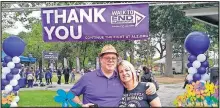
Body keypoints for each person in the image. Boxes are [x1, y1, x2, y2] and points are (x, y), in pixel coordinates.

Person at [70, 44, 157, 107]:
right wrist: (81, 105)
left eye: (113, 58)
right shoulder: (87, 77)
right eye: (107, 58)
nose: (110, 60)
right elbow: (71, 94)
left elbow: (134, 86)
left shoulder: (120, 78)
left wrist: (151, 85)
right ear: (101, 60)